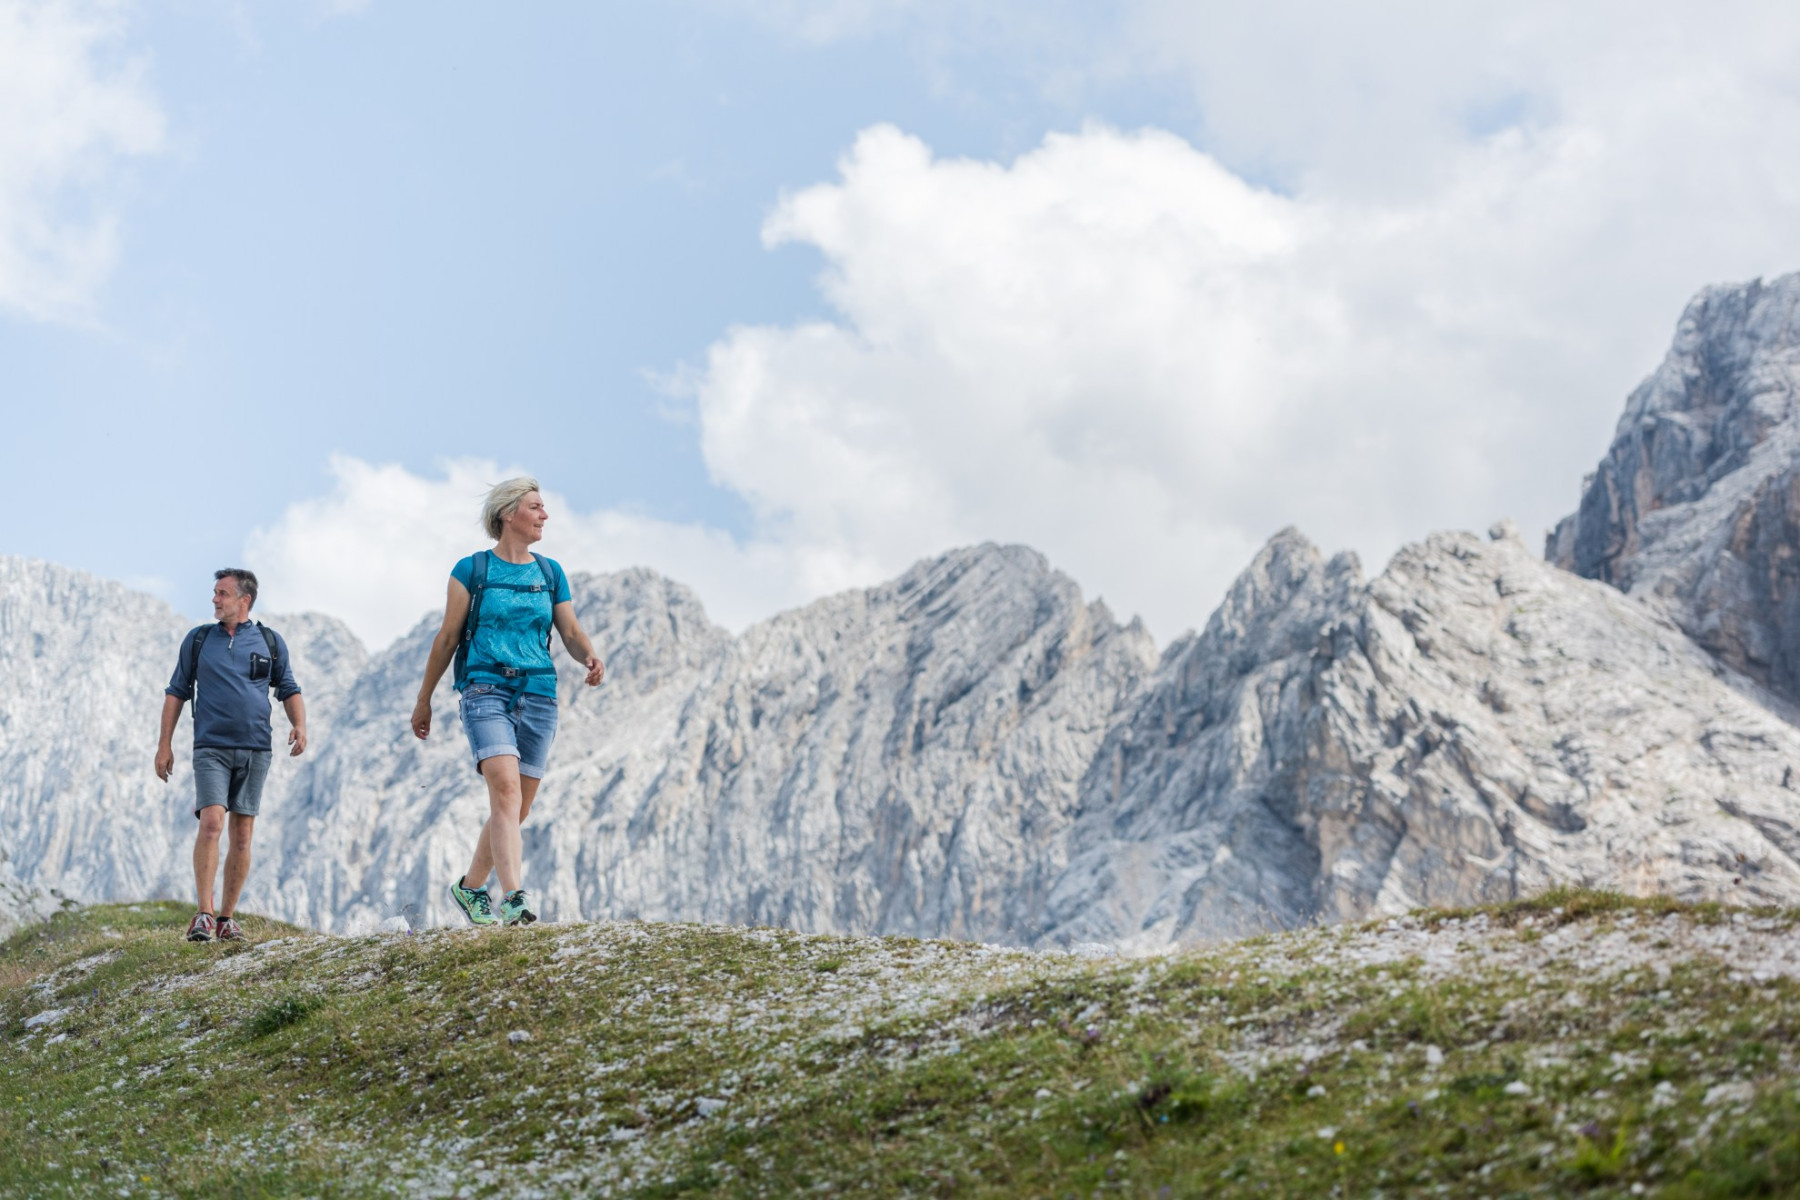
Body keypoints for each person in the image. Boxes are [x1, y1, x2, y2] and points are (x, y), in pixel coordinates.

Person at [411, 478, 604, 927]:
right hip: (484, 690)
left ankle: (470, 887)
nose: (545, 515)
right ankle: (514, 897)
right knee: (506, 790)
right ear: (507, 514)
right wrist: (425, 700)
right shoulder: (471, 570)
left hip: (539, 694)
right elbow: (447, 638)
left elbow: (570, 633)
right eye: (536, 507)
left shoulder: (550, 573)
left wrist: (589, 657)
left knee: (517, 808)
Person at [156, 568, 306, 942]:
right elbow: (177, 691)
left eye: (222, 593)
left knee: (242, 837)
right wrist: (164, 745)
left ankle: (226, 918)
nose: (214, 599)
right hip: (210, 748)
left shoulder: (270, 642)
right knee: (211, 823)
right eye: (214, 592)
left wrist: (300, 726)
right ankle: (203, 914)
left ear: (244, 600)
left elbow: (288, 687)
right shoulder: (198, 640)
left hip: (257, 750)